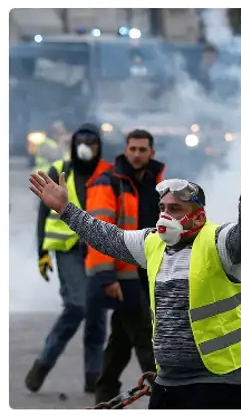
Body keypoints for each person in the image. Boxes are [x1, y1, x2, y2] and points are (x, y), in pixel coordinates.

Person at [29, 149, 241, 410]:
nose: (165, 216)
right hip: (169, 381)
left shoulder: (219, 241)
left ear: (198, 217)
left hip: (217, 381)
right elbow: (106, 237)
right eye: (162, 208)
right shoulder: (153, 244)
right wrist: (66, 210)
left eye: (175, 209)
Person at [26, 123, 113, 393]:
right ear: (73, 144)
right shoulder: (58, 170)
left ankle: (93, 377)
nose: (86, 146)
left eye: (92, 141)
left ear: (100, 146)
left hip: (98, 250)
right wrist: (41, 251)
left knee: (97, 314)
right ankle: (43, 363)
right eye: (81, 140)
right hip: (68, 250)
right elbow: (43, 212)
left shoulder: (108, 174)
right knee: (77, 307)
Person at [85, 130, 165, 403]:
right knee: (145, 335)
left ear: (151, 152)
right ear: (125, 149)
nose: (137, 154)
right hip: (122, 274)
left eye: (143, 149)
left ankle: (104, 395)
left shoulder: (159, 183)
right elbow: (98, 233)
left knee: (120, 339)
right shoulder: (107, 183)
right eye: (132, 149)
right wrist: (107, 277)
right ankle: (165, 395)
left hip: (149, 272)